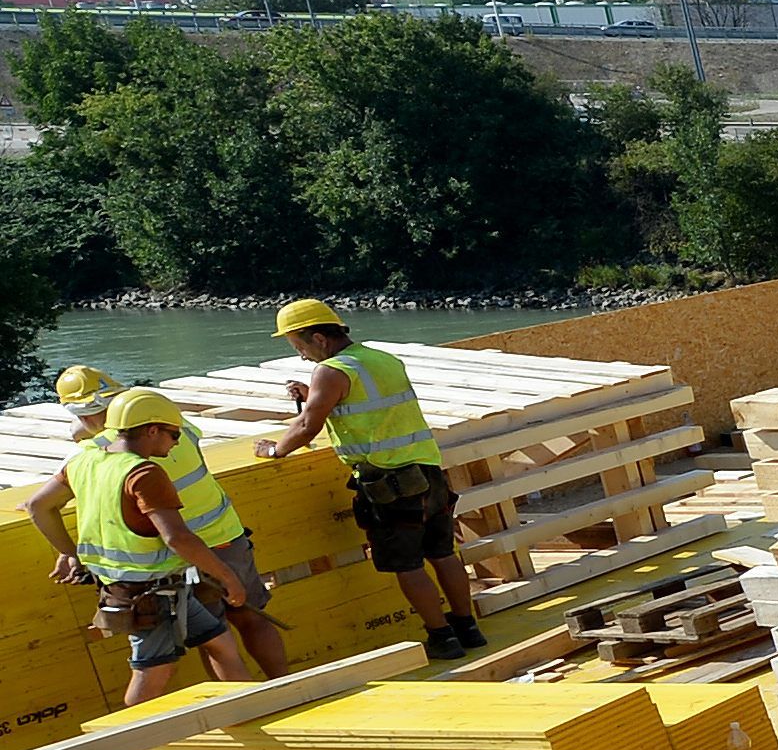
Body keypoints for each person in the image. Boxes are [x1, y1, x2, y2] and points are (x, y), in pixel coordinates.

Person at [255, 300, 487, 661]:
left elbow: (306, 426)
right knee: (442, 553)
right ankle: (467, 628)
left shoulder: (329, 372)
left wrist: (274, 451)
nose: (301, 356)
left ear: (319, 337)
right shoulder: (381, 360)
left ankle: (442, 637)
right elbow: (368, 404)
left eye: (300, 347)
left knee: (408, 564)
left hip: (388, 483)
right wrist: (314, 392)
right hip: (427, 470)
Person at [55, 365, 289, 682]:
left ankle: (241, 708)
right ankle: (285, 685)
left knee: (214, 637)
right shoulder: (167, 424)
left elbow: (44, 501)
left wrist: (69, 551)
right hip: (223, 536)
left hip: (178, 552)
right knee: (249, 617)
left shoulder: (100, 452)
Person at [21, 389, 255, 705]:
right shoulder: (143, 474)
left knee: (220, 642)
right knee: (153, 674)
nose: (176, 443)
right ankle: (129, 740)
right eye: (174, 435)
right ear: (152, 430)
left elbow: (38, 506)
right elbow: (177, 538)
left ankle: (251, 709)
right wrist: (227, 577)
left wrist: (72, 553)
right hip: (149, 594)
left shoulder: (84, 462)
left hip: (144, 587)